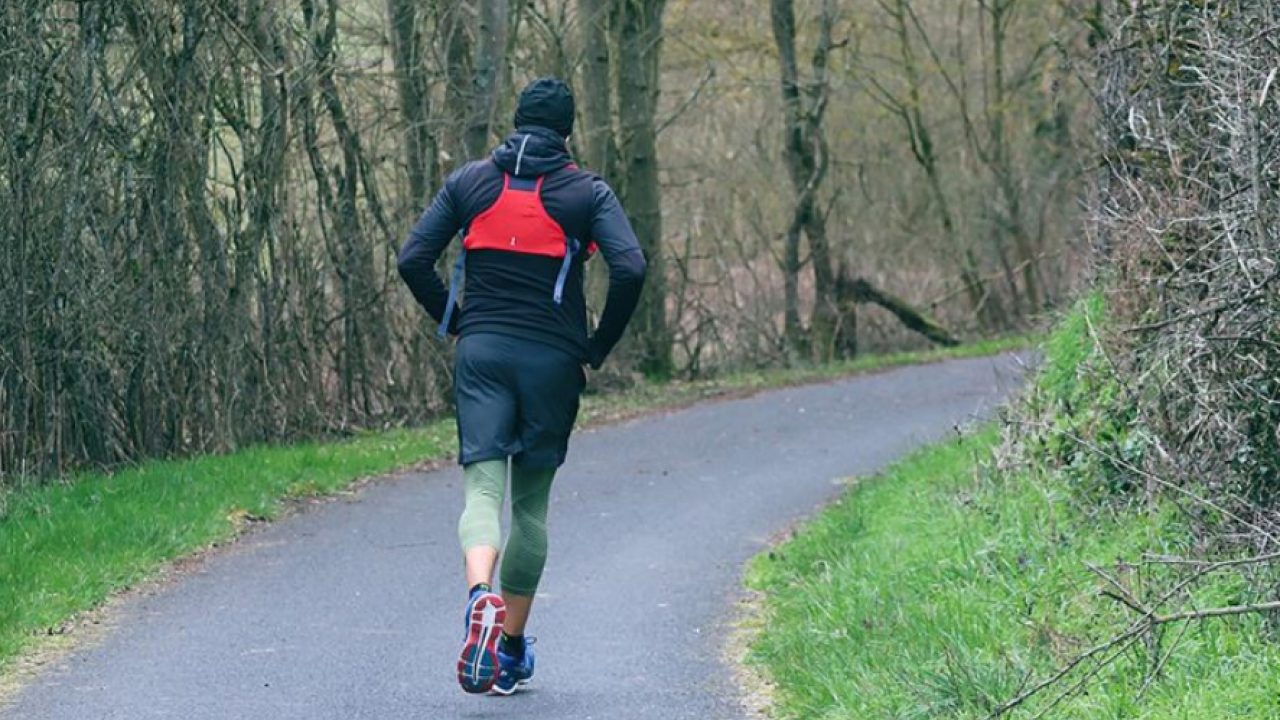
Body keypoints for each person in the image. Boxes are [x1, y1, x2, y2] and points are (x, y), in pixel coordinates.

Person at [396, 77, 647, 696]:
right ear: (567, 132)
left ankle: (478, 594)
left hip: (481, 351)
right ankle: (508, 650)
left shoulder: (472, 181)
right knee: (530, 507)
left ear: (515, 122)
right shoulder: (587, 191)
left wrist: (454, 319)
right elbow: (631, 266)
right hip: (553, 362)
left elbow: (411, 258)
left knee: (482, 486)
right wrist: (598, 345)